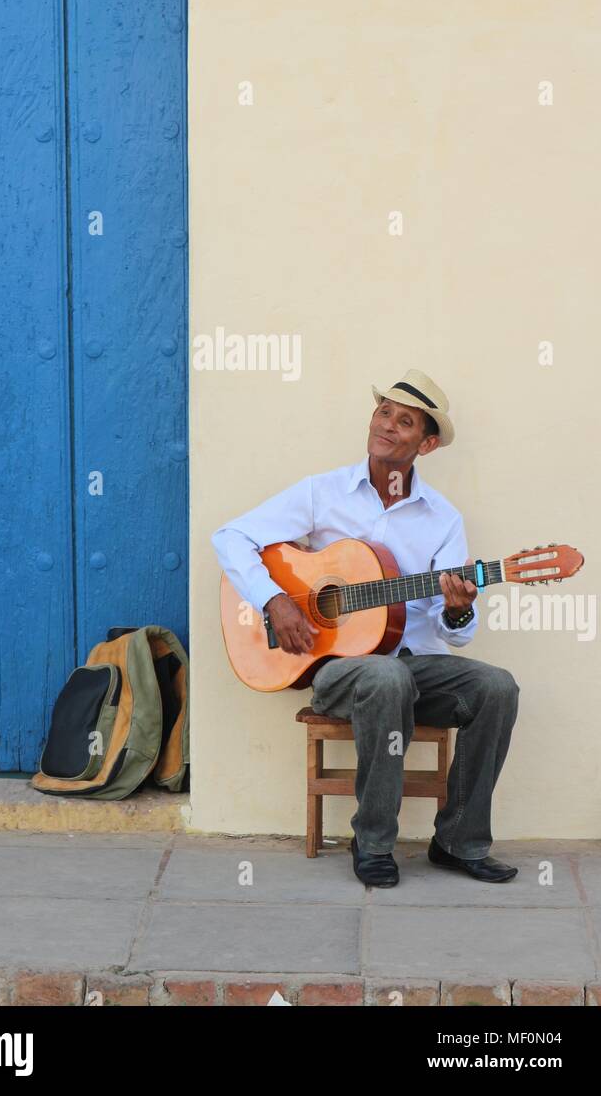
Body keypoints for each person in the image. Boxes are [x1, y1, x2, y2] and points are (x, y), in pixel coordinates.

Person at [211, 369, 520, 888]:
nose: (388, 426)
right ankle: (373, 842)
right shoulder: (322, 493)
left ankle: (459, 841)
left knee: (497, 687)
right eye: (384, 413)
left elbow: (456, 634)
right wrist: (275, 601)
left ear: (427, 444)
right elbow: (230, 537)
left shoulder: (443, 520)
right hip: (338, 674)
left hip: (415, 669)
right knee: (383, 677)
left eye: (405, 421)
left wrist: (461, 607)